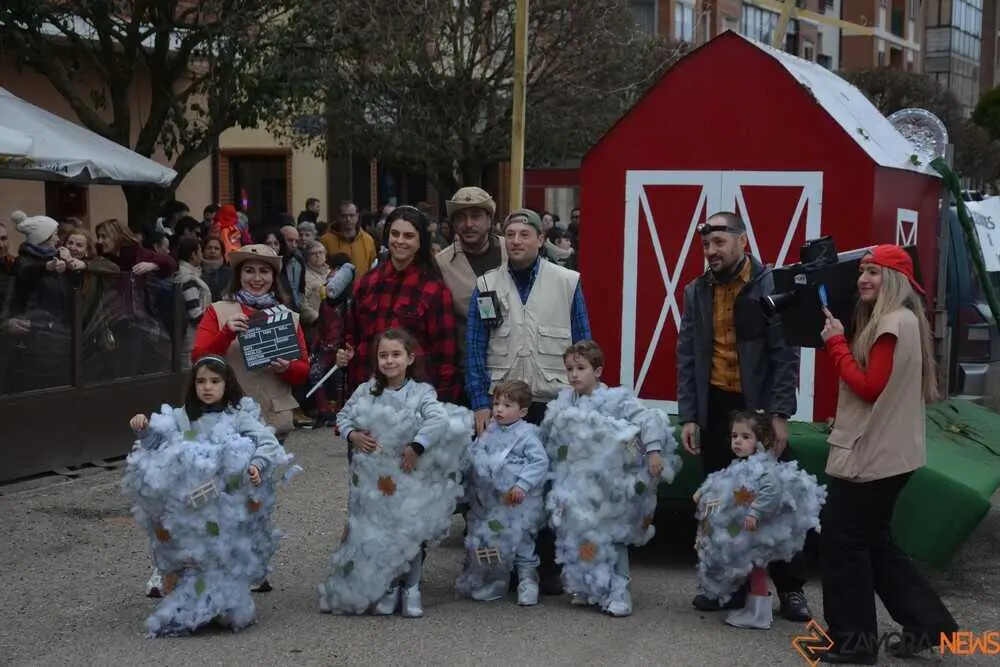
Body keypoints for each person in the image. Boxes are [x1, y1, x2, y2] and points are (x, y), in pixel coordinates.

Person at [817, 245, 958, 664]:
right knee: (875, 543)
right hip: (892, 453)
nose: (864, 278)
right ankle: (930, 624)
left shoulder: (891, 324)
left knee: (843, 544)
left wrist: (836, 344)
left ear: (893, 280)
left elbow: (869, 386)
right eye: (862, 270)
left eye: (874, 272)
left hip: (871, 456)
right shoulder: (907, 321)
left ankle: (853, 643)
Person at [676, 211, 811, 622]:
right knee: (720, 503)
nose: (711, 252)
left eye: (719, 243)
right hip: (716, 407)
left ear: (742, 241)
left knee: (778, 502)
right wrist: (688, 416)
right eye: (706, 246)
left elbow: (784, 354)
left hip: (758, 409)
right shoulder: (696, 291)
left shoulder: (769, 286)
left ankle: (790, 590)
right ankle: (727, 588)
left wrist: (779, 413)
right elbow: (687, 354)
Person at [466, 207, 591, 596]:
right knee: (502, 486)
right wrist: (480, 403)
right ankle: (505, 567)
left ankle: (547, 567)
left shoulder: (567, 282)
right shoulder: (486, 284)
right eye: (511, 235)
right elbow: (474, 347)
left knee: (551, 484)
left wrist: (582, 400)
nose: (517, 241)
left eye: (525, 234)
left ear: (541, 240)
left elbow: (583, 344)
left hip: (551, 403)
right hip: (503, 405)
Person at [122, 355, 294, 636]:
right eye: (201, 381)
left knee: (222, 556)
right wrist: (143, 428)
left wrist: (255, 464)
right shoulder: (181, 417)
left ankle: (223, 604)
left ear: (227, 385)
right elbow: (156, 444)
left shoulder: (237, 417)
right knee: (191, 556)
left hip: (225, 506)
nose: (207, 387)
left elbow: (267, 441)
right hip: (189, 508)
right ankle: (191, 604)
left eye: (215, 381)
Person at [319, 329, 471, 618]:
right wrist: (352, 435)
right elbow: (343, 416)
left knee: (408, 533)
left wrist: (417, 446)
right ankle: (388, 586)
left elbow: (437, 419)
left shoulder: (421, 392)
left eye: (396, 354)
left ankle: (411, 587)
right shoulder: (366, 390)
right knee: (380, 534)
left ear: (410, 358)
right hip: (373, 482)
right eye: (383, 355)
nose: (389, 361)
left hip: (407, 476)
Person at [541, 340, 679, 616]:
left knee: (612, 536)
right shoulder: (564, 401)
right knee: (577, 534)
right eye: (569, 369)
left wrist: (653, 451)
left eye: (581, 368)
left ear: (598, 370)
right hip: (575, 485)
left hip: (609, 487)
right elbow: (549, 436)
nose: (574, 375)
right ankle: (588, 587)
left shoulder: (615, 400)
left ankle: (620, 592)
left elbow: (650, 419)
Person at [693, 410, 825, 631]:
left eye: (746, 437)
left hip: (757, 531)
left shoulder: (763, 467)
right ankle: (753, 609)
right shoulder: (742, 464)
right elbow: (722, 482)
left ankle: (760, 614)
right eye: (735, 436)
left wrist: (756, 513)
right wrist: (703, 492)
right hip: (745, 531)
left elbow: (771, 490)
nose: (738, 441)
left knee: (757, 569)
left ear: (760, 440)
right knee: (753, 570)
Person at [336, 206, 461, 403]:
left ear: (421, 242)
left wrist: (444, 403)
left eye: (408, 236)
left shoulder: (434, 290)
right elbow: (351, 336)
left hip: (414, 398)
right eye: (395, 234)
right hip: (368, 393)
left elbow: (445, 354)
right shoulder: (366, 283)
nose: (400, 241)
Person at [191, 244, 310, 441]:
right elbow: (197, 359)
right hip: (227, 420)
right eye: (249, 271)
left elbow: (303, 370)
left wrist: (288, 368)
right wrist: (226, 334)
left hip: (272, 420)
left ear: (273, 278)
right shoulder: (217, 311)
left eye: (264, 271)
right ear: (239, 276)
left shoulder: (288, 317)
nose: (256, 278)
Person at [455, 379, 549, 606]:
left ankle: (528, 580)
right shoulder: (489, 431)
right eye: (496, 403)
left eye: (507, 406)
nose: (498, 409)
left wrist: (522, 485)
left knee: (522, 541)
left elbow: (539, 462)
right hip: (491, 502)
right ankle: (498, 580)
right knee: (493, 541)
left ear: (523, 411)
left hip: (518, 503)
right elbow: (476, 455)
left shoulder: (527, 435)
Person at [435, 186, 507, 384]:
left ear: (489, 220)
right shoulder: (442, 263)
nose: (468, 224)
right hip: (468, 368)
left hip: (512, 363)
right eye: (461, 218)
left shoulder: (510, 250)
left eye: (475, 216)